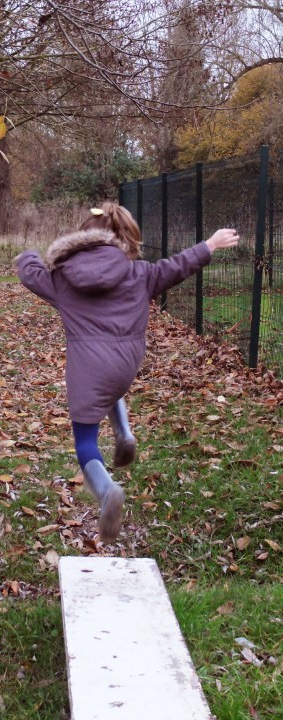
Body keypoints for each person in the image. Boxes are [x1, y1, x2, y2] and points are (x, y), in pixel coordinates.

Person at [14, 202, 239, 543]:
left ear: (82, 236)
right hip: (126, 365)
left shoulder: (63, 279)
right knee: (111, 387)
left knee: (86, 442)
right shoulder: (141, 273)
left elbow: (31, 274)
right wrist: (209, 244)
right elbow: (177, 266)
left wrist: (29, 254)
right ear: (128, 237)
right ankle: (125, 433)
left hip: (88, 366)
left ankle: (107, 491)